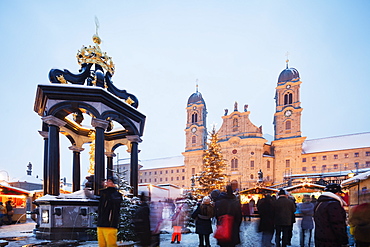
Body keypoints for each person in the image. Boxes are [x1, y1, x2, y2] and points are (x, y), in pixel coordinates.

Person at [97, 177, 123, 247]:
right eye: (107, 181)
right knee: (101, 244)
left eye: (109, 181)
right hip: (101, 223)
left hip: (110, 223)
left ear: (114, 184)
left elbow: (113, 203)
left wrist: (106, 191)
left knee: (110, 244)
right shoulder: (104, 193)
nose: (107, 182)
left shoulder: (116, 194)